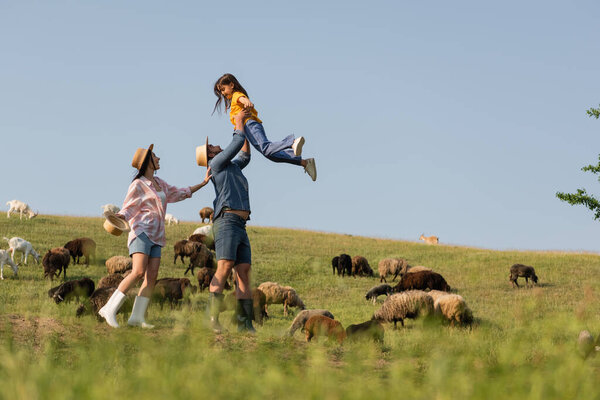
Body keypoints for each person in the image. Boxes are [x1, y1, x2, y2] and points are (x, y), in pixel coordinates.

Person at [98, 145, 212, 328]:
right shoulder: (138, 185)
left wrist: (203, 183)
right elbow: (128, 207)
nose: (159, 158)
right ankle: (108, 308)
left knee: (151, 277)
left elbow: (180, 193)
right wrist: (119, 218)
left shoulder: (160, 183)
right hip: (142, 232)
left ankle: (137, 317)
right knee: (138, 272)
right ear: (147, 162)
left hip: (157, 235)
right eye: (155, 156)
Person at [196, 109, 255, 333]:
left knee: (244, 271)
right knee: (224, 267)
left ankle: (244, 323)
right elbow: (237, 141)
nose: (215, 146)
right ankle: (212, 319)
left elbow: (245, 154)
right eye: (211, 147)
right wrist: (239, 120)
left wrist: (246, 128)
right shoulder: (218, 163)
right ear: (210, 155)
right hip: (227, 220)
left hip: (240, 224)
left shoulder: (232, 165)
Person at [212, 73, 317, 181]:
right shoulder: (234, 100)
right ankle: (305, 162)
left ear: (231, 85)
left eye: (223, 89)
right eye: (220, 92)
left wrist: (247, 102)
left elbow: (241, 98)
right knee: (271, 155)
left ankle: (292, 142)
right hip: (248, 128)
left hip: (249, 125)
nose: (222, 93)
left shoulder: (236, 96)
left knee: (266, 148)